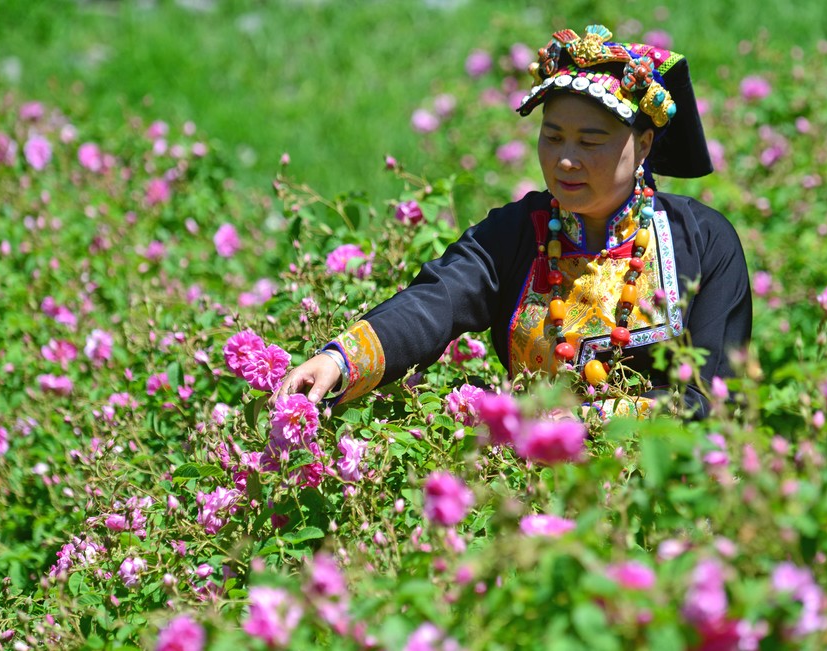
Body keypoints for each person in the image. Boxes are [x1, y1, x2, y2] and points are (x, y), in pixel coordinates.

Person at [271, 24, 752, 420]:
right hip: (524, 488)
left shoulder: (704, 243)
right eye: (553, 136)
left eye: (589, 142)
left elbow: (713, 401)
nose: (565, 160)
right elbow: (434, 302)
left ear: (644, 144)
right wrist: (339, 359)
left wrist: (583, 425)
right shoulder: (519, 232)